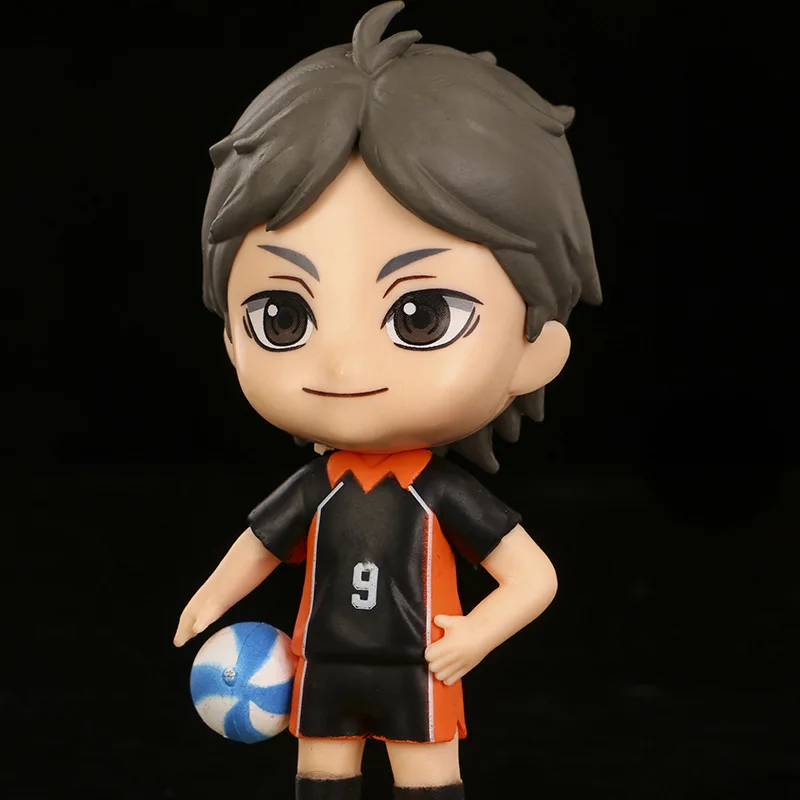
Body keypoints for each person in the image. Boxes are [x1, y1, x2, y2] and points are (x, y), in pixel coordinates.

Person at [174, 3, 601, 798]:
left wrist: (476, 635)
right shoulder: (319, 488)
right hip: (319, 667)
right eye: (282, 316)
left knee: (426, 780)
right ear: (232, 338)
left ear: (535, 350)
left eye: (421, 316)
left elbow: (533, 578)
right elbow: (259, 545)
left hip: (417, 670)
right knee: (321, 775)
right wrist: (209, 599)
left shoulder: (440, 495)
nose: (343, 362)